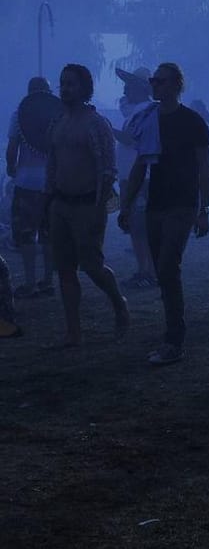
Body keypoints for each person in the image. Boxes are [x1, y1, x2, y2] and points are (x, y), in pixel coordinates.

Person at [118, 63, 209, 366]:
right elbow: (140, 165)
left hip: (182, 205)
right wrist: (126, 203)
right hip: (156, 204)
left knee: (168, 266)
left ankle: (174, 338)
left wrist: (204, 210)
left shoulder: (193, 122)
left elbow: (204, 169)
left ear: (175, 85)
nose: (154, 85)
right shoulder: (150, 120)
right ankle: (173, 328)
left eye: (159, 81)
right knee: (162, 270)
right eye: (153, 81)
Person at [45, 64, 129, 347]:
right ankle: (73, 333)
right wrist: (49, 202)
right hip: (61, 204)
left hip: (86, 204)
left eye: (71, 83)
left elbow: (107, 169)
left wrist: (97, 209)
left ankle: (119, 303)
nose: (65, 88)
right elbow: (52, 164)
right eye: (62, 83)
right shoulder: (58, 122)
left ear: (84, 88)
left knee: (93, 267)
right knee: (65, 269)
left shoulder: (96, 124)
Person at [6, 77, 60, 297]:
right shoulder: (59, 116)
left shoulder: (18, 116)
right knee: (49, 234)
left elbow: (12, 148)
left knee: (26, 234)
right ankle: (47, 281)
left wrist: (12, 167)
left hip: (26, 182)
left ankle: (30, 282)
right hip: (52, 183)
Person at [112, 67, 158, 290]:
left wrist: (106, 127)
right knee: (138, 227)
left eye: (128, 85)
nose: (124, 88)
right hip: (135, 178)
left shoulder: (144, 111)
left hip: (140, 179)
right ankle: (146, 270)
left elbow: (130, 140)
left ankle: (146, 271)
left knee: (140, 228)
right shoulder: (139, 111)